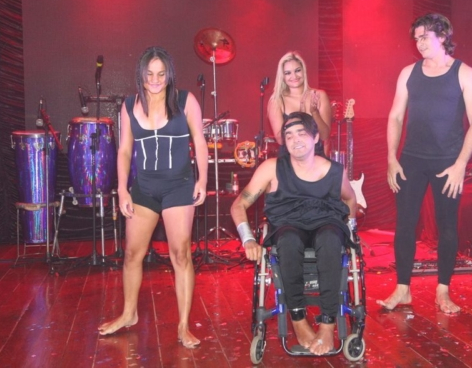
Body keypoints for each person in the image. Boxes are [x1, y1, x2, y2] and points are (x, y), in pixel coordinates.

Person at [98, 46, 208, 348]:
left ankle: (184, 325)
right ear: (141, 76)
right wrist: (122, 189)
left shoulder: (185, 101)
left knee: (180, 254)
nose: (156, 80)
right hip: (144, 188)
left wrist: (202, 179)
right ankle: (128, 314)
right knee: (132, 254)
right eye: (150, 74)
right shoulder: (129, 105)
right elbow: (124, 150)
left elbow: (200, 141)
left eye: (161, 74)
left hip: (179, 187)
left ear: (169, 74)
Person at [376, 13, 472, 314]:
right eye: (416, 38)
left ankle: (443, 292)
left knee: (447, 225)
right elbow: (395, 116)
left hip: (448, 161)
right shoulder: (408, 73)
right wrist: (391, 158)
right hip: (411, 159)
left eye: (425, 36)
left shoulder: (465, 74)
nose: (419, 43)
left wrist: (461, 164)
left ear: (443, 36)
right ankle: (403, 289)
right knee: (405, 224)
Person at [231, 112, 357, 356]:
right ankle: (298, 321)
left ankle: (328, 325)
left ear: (315, 137)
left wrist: (351, 232)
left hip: (326, 224)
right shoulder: (272, 168)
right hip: (288, 225)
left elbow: (350, 199)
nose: (295, 139)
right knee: (288, 240)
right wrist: (248, 239)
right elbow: (239, 204)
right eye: (289, 135)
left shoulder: (333, 171)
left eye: (301, 133)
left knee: (330, 238)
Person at [267, 51, 332, 157]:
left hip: (316, 159)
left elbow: (325, 136)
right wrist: (301, 118)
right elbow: (280, 140)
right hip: (289, 160)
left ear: (303, 71)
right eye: (288, 73)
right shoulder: (277, 100)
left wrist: (314, 113)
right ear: (282, 77)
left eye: (297, 70)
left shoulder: (319, 95)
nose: (294, 76)